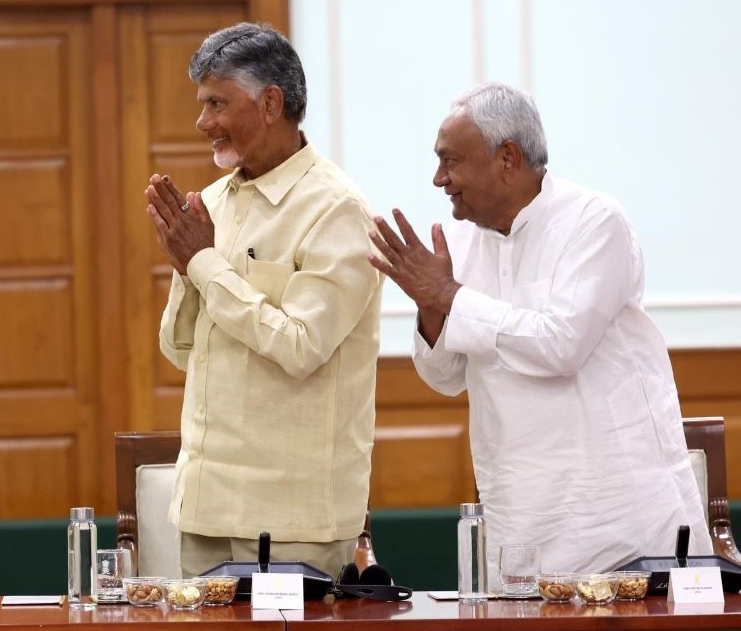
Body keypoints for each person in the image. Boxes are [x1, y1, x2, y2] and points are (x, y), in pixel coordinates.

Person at [367, 82, 710, 583]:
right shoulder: (459, 241)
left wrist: (449, 296)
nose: (439, 178)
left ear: (507, 158)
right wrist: (430, 303)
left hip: (621, 517)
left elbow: (560, 346)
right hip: (522, 518)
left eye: (450, 161)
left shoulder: (594, 221)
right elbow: (445, 376)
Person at [145, 22, 384, 578]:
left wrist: (205, 264)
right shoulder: (212, 201)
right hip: (205, 508)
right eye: (202, 105)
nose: (202, 122)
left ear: (271, 103)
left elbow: (301, 348)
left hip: (294, 520)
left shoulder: (337, 210)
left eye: (216, 103)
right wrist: (189, 267)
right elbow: (182, 351)